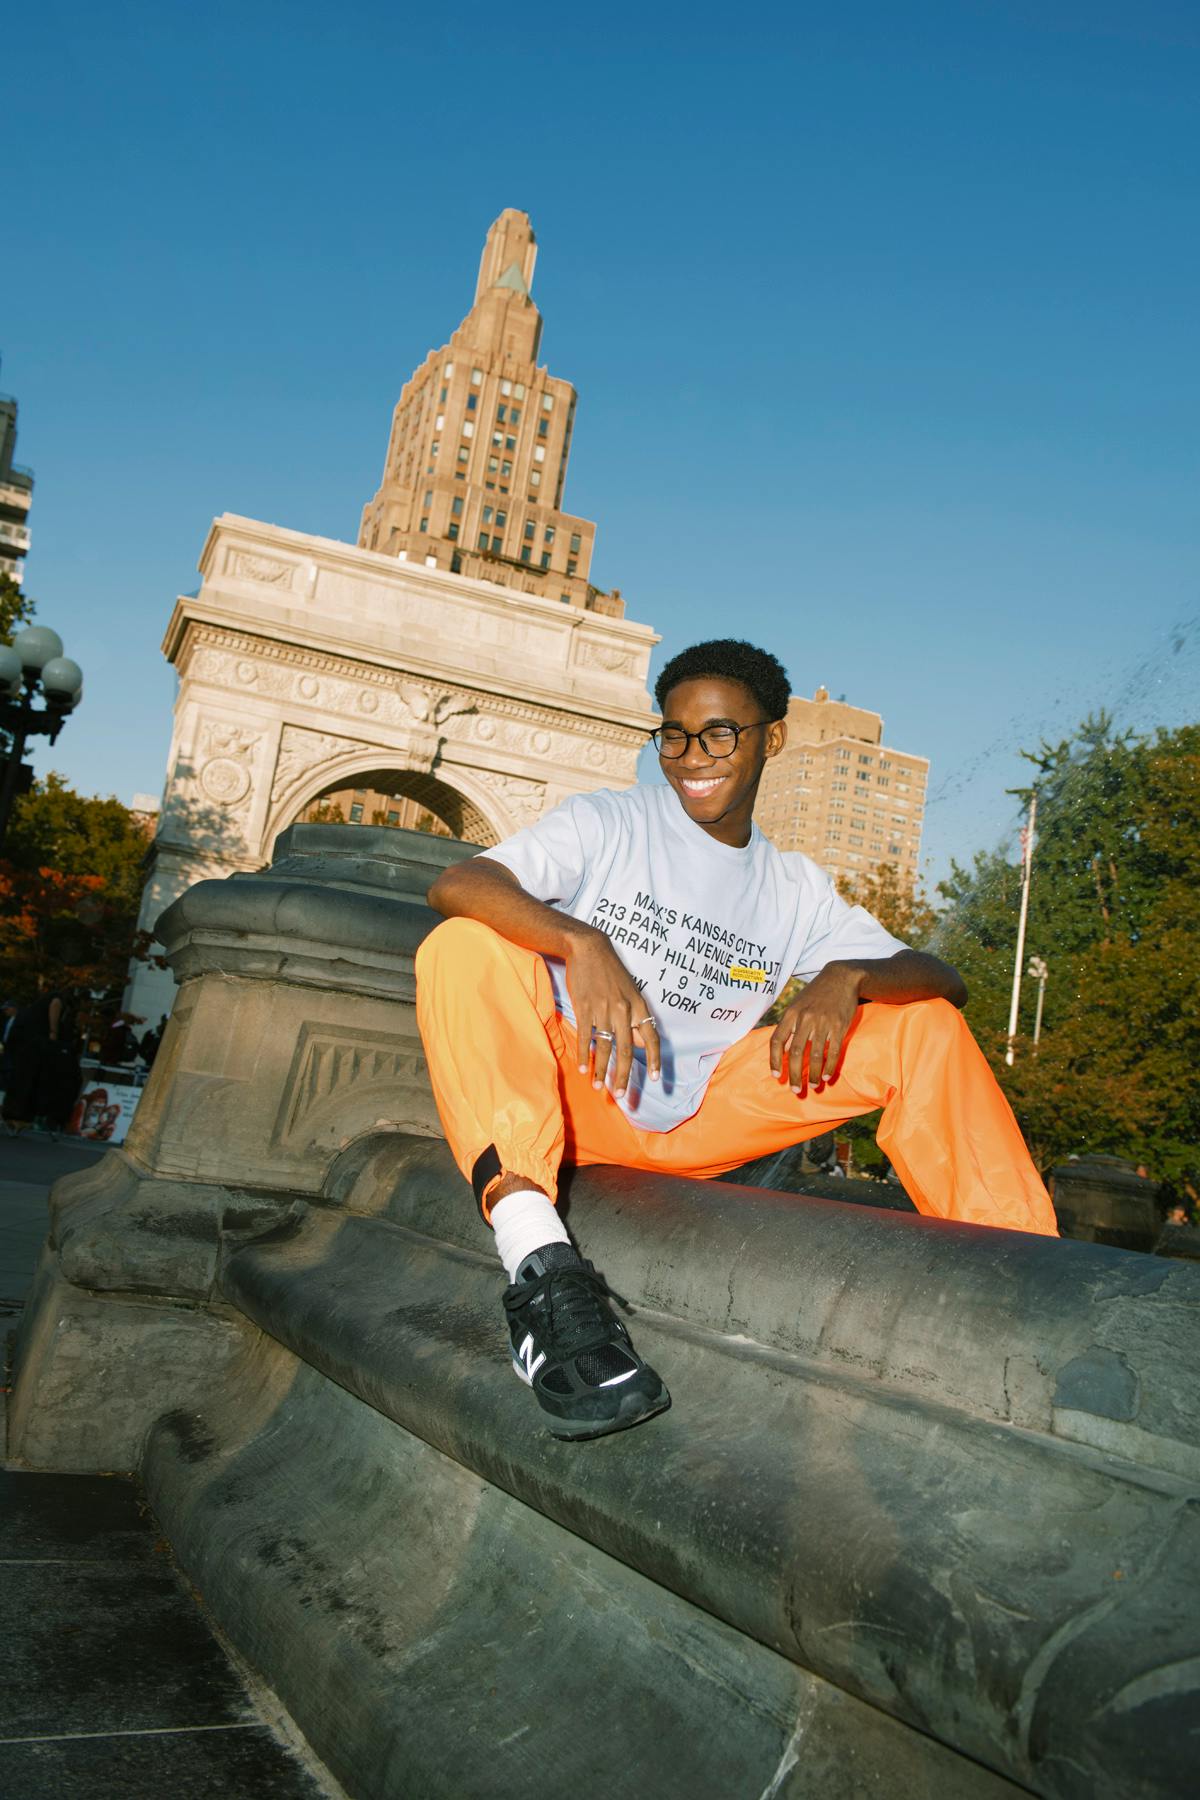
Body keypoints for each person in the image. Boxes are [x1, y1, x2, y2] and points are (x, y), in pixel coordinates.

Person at [416, 639, 1059, 1442]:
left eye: (719, 734)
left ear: (770, 738)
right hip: (574, 1095)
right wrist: (581, 942)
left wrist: (849, 975)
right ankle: (543, 1274)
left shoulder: (793, 889)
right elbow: (458, 883)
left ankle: (1029, 1274)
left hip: (696, 1115)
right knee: (464, 944)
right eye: (675, 735)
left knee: (920, 1022)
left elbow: (945, 980)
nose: (693, 757)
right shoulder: (608, 821)